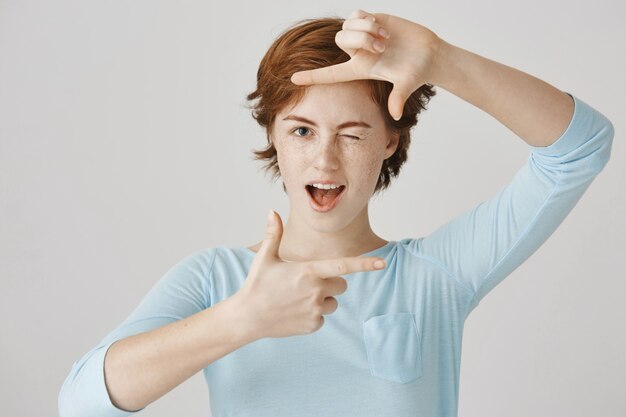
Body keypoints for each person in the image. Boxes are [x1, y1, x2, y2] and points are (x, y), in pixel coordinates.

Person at [58, 9, 614, 417]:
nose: (324, 159)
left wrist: (442, 61)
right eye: (301, 131)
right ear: (274, 136)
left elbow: (580, 148)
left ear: (390, 142)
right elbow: (81, 403)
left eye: (352, 134)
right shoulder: (218, 280)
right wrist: (241, 320)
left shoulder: (435, 275)